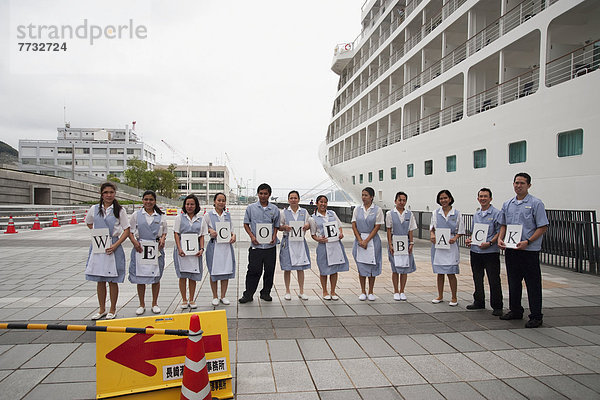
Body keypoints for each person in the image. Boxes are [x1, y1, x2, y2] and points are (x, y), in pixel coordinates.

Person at [498, 173, 549, 328]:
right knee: (513, 282)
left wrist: (528, 241)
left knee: (532, 283)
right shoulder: (508, 204)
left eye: (522, 183)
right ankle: (515, 310)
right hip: (512, 249)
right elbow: (503, 224)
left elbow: (543, 227)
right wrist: (501, 238)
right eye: (516, 183)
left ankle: (536, 315)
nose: (518, 185)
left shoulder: (536, 203)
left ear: (529, 185)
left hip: (529, 250)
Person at [85, 182, 130, 320]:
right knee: (100, 279)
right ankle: (101, 309)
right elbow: (89, 222)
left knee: (112, 280)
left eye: (111, 192)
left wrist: (115, 244)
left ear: (115, 193)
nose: (109, 195)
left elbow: (127, 230)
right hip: (99, 247)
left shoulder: (119, 210)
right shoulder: (94, 209)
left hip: (113, 246)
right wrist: (98, 234)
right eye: (106, 192)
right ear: (101, 194)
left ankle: (112, 308)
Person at [128, 190, 167, 315]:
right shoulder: (136, 215)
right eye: (146, 199)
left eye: (151, 200)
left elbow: (164, 231)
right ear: (142, 200)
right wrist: (135, 243)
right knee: (141, 277)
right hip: (141, 248)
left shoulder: (160, 215)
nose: (148, 202)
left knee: (156, 277)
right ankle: (141, 304)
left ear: (155, 201)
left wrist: (163, 239)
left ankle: (155, 303)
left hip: (155, 249)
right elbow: (130, 231)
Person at [239, 183, 280, 303]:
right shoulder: (251, 208)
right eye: (261, 193)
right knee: (253, 270)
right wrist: (252, 236)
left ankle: (266, 293)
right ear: (258, 194)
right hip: (256, 246)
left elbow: (276, 225)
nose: (263, 196)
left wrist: (274, 236)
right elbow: (246, 224)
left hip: (270, 247)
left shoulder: (274, 209)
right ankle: (248, 294)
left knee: (269, 270)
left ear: (269, 195)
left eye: (265, 194)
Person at [465, 188, 503, 316]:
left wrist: (491, 242)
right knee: (477, 277)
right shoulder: (476, 214)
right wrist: (470, 240)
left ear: (490, 198)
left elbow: (499, 232)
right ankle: (479, 301)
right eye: (481, 196)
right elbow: (474, 232)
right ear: (478, 199)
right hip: (476, 251)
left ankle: (497, 305)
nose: (483, 198)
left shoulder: (497, 213)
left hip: (490, 252)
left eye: (485, 196)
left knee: (493, 279)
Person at [310, 195, 349, 300]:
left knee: (334, 269)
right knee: (323, 269)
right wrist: (319, 239)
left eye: (325, 202)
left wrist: (341, 234)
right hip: (323, 246)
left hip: (335, 244)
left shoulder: (332, 214)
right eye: (321, 202)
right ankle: (324, 291)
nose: (323, 204)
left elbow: (339, 226)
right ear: (317, 203)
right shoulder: (312, 218)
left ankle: (333, 291)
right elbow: (313, 234)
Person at [430, 189, 464, 306]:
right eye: (441, 198)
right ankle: (440, 295)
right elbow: (432, 228)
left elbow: (460, 230)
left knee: (451, 272)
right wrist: (432, 235)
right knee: (439, 272)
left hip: (451, 245)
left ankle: (454, 297)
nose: (443, 200)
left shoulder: (457, 213)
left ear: (450, 199)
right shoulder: (435, 213)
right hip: (439, 245)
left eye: (445, 198)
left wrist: (455, 238)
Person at [204, 192, 237, 306]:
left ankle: (223, 296)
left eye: (223, 200)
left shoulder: (227, 215)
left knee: (225, 271)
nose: (221, 202)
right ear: (214, 201)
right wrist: (210, 230)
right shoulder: (208, 215)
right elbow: (203, 228)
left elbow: (232, 230)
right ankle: (215, 296)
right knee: (214, 271)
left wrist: (233, 236)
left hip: (226, 247)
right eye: (219, 200)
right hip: (214, 246)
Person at [351, 187, 384, 301]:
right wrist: (360, 240)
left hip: (372, 241)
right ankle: (362, 291)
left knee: (372, 266)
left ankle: (371, 291)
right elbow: (354, 225)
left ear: (371, 197)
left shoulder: (377, 210)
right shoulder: (357, 209)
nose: (363, 197)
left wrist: (367, 240)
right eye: (362, 195)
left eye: (366, 195)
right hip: (360, 240)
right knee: (361, 266)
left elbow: (377, 226)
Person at [173, 194, 205, 309]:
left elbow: (201, 236)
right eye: (187, 204)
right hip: (182, 251)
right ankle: (184, 299)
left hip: (195, 252)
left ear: (196, 206)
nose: (189, 206)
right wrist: (179, 248)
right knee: (182, 275)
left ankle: (191, 299)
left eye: (192, 204)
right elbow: (176, 233)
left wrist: (201, 249)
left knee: (193, 275)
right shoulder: (179, 218)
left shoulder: (201, 220)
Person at [279, 190, 312, 300]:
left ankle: (301, 291)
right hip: (288, 242)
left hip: (300, 242)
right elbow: (279, 226)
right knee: (287, 267)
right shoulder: (283, 213)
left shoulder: (304, 212)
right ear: (288, 200)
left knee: (300, 268)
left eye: (295, 198)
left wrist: (307, 225)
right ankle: (287, 290)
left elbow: (310, 223)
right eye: (291, 198)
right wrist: (285, 228)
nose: (293, 200)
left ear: (299, 199)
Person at [386, 191, 417, 301]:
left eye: (404, 200)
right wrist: (390, 244)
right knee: (395, 268)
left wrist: (411, 243)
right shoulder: (390, 214)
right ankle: (395, 291)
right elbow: (389, 230)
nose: (402, 202)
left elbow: (411, 230)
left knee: (404, 268)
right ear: (395, 201)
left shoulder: (409, 214)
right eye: (400, 200)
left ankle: (402, 290)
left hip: (405, 242)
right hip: (395, 242)